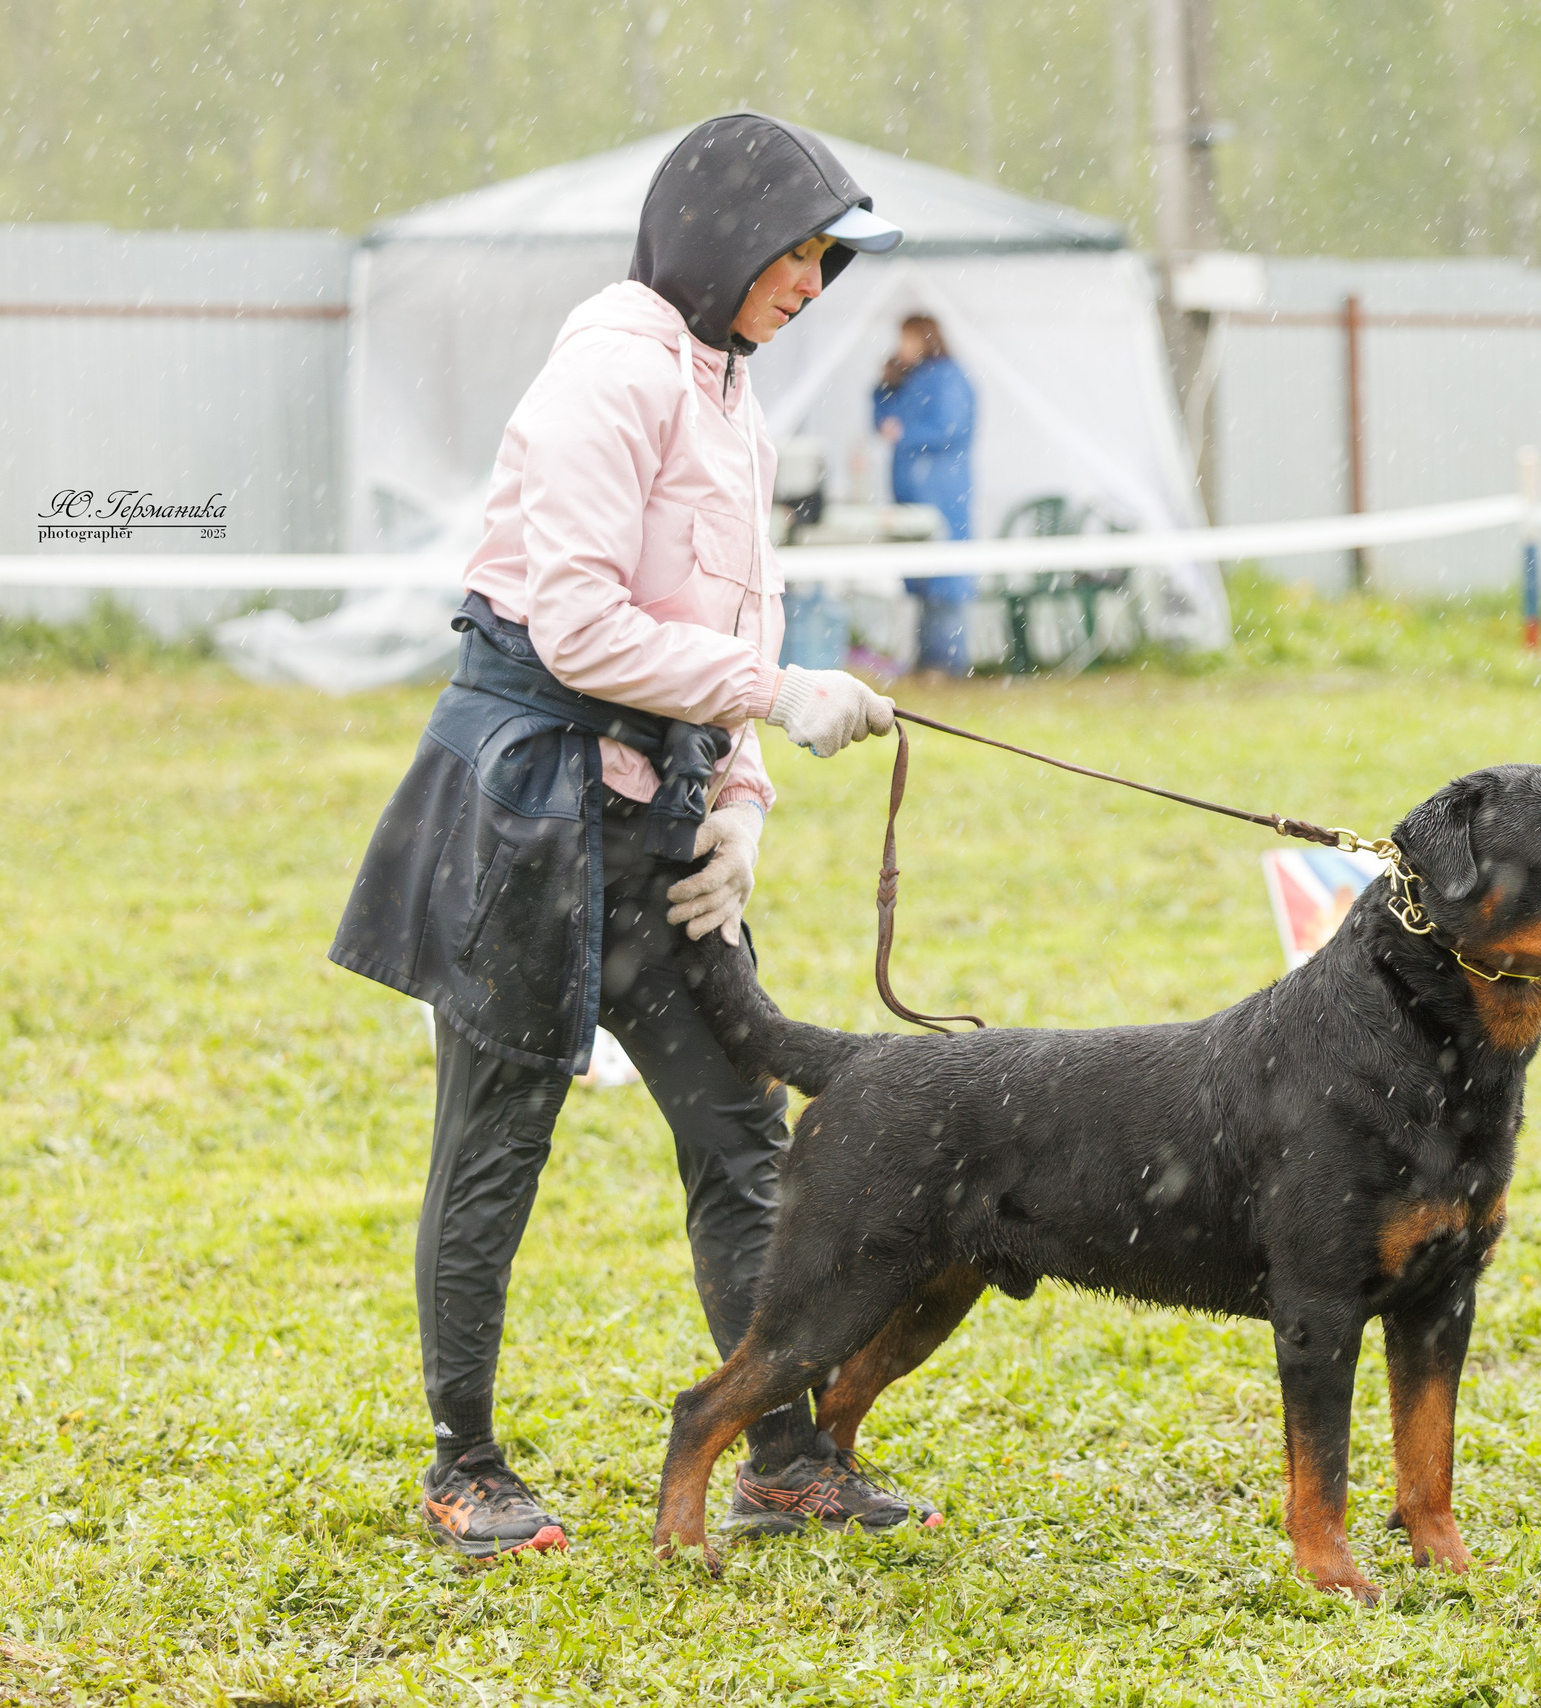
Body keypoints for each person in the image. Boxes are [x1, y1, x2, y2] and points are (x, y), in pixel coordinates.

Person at [330, 113, 932, 1557]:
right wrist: (776, 697)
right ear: (726, 241)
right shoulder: (608, 373)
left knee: (746, 1139)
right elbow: (581, 627)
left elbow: (740, 614)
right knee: (497, 1145)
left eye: (830, 259)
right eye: (801, 252)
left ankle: (780, 1457)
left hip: (666, 818)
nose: (816, 283)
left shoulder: (735, 393)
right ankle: (465, 1467)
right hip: (530, 815)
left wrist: (742, 803)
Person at [873, 315, 978, 675]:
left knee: (944, 580)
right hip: (910, 492)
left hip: (941, 491)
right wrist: (885, 383)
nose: (902, 346)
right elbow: (882, 420)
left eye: (908, 338)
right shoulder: (908, 377)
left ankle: (947, 666)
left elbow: (949, 427)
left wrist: (906, 434)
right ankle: (926, 665)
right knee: (920, 579)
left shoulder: (949, 377)